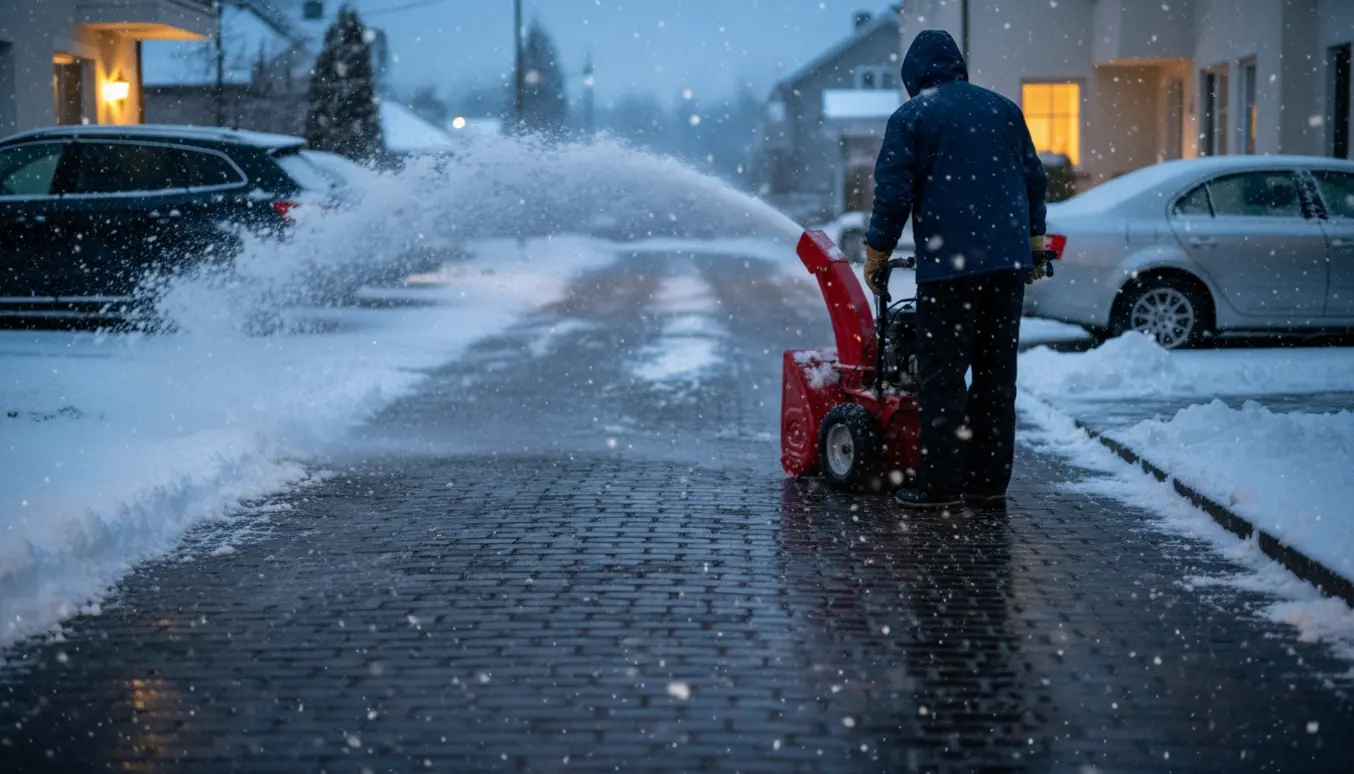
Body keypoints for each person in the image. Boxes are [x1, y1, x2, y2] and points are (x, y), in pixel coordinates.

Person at [863, 29, 1049, 509]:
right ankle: (987, 484)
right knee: (995, 375)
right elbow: (1034, 178)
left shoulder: (913, 115)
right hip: (1007, 266)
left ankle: (940, 487)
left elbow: (893, 191)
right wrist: (1032, 242)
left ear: (914, 76)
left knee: (942, 377)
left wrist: (878, 252)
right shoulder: (1004, 109)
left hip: (950, 269)